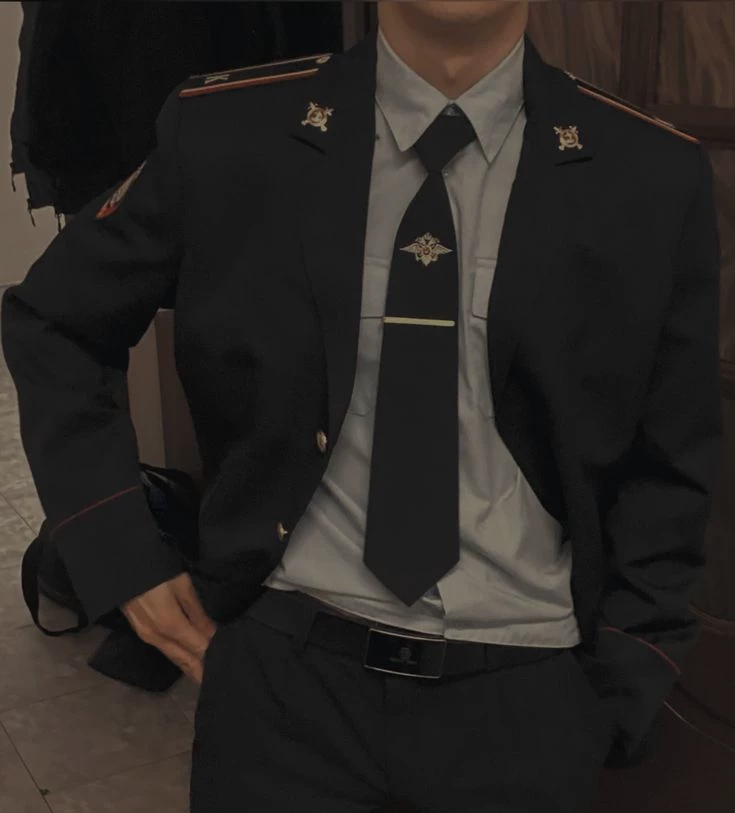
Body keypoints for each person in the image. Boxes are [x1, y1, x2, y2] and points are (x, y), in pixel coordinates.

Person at [1, 2, 722, 812]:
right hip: (283, 686)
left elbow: (674, 457)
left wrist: (626, 675)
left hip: (527, 693)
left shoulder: (649, 173)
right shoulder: (226, 131)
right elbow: (53, 321)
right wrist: (118, 552)